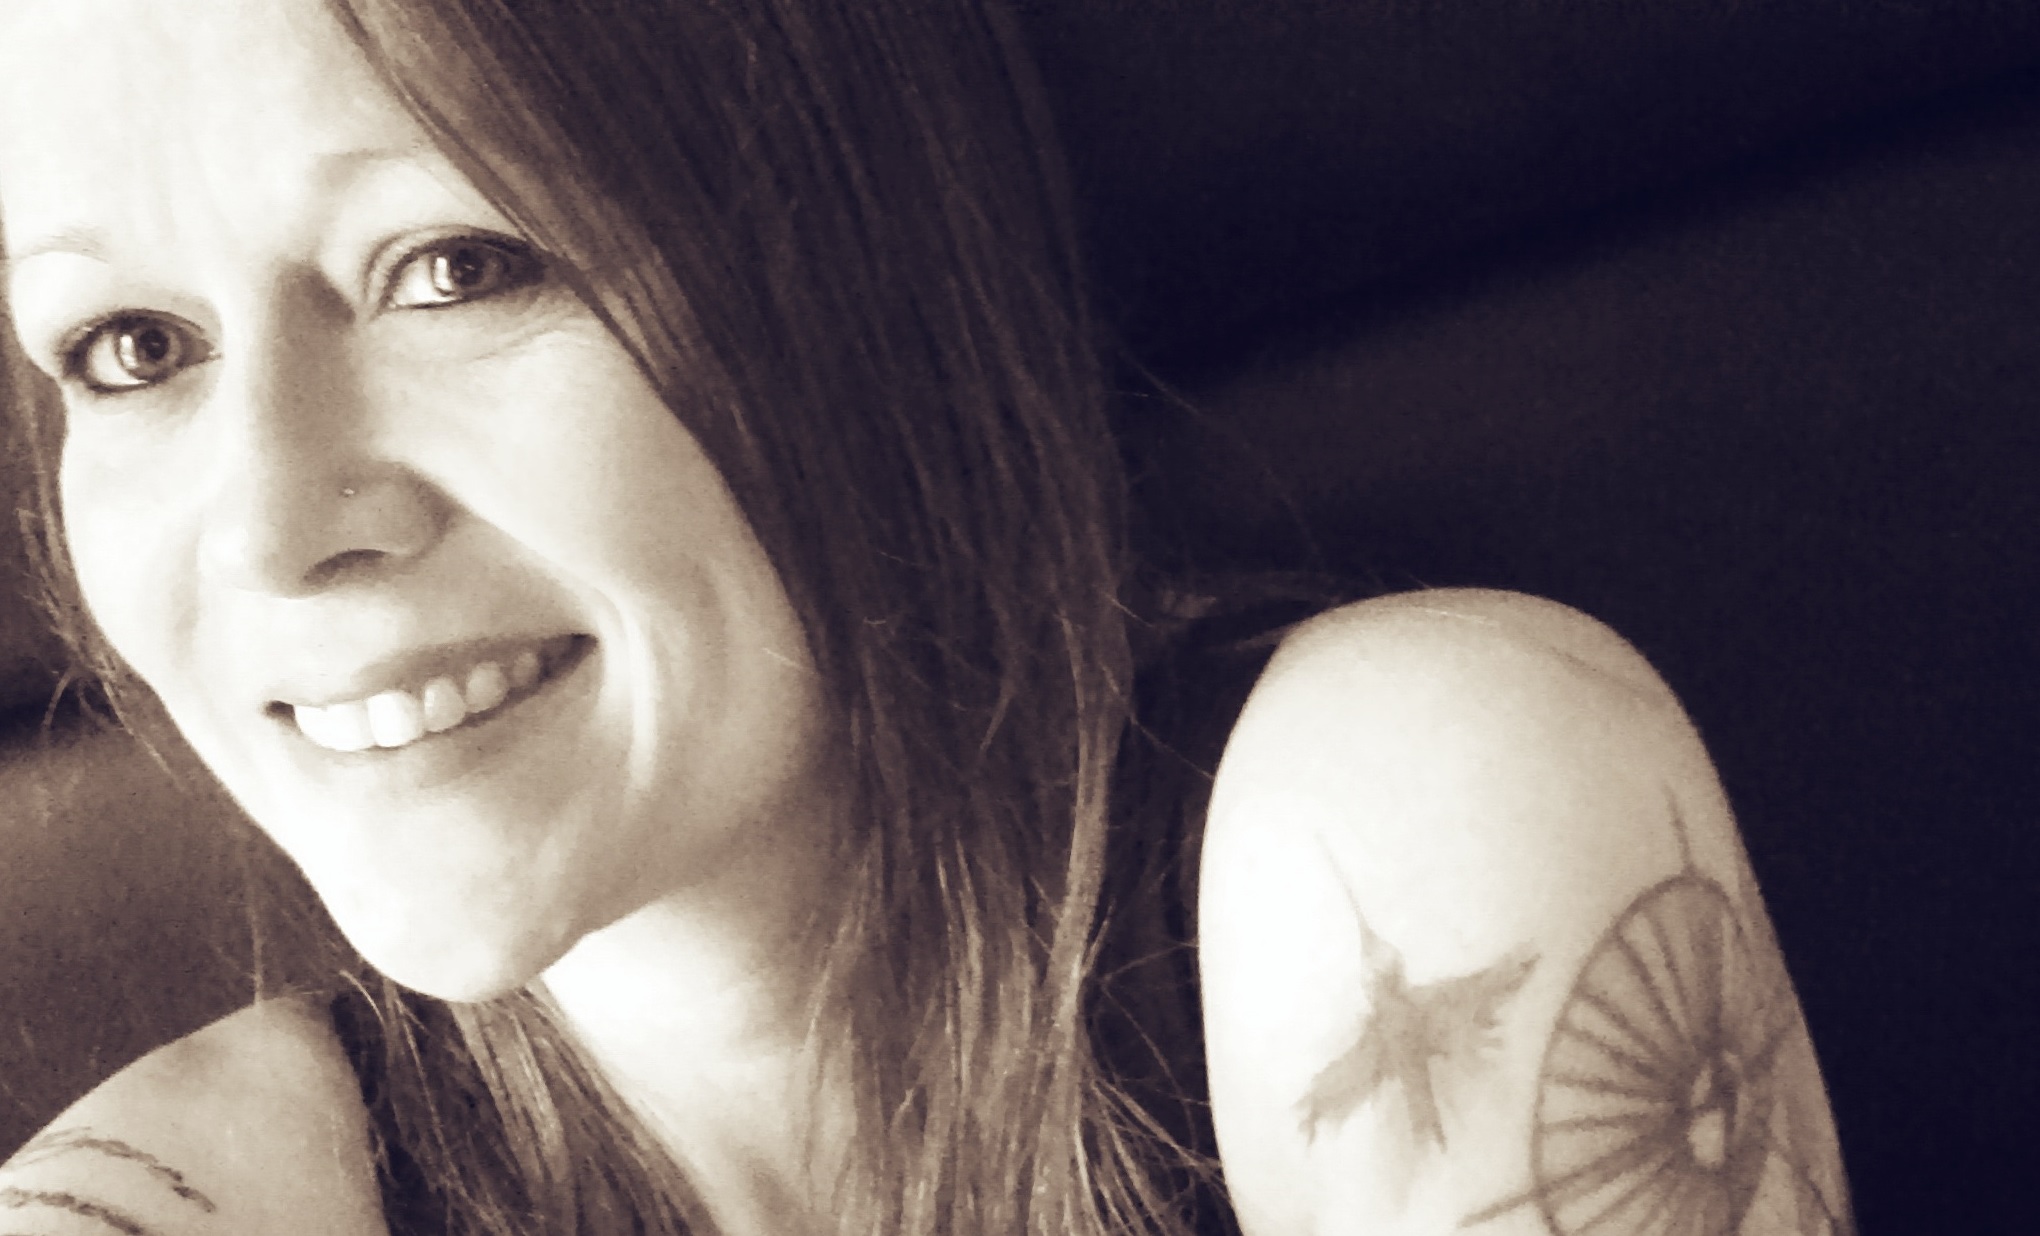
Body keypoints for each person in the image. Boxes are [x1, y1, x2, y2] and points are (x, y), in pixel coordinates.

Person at [0, 0, 1853, 1233]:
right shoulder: (180, 1192)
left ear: (848, 270)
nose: (269, 526)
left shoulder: (1409, 809)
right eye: (130, 349)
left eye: (458, 265)